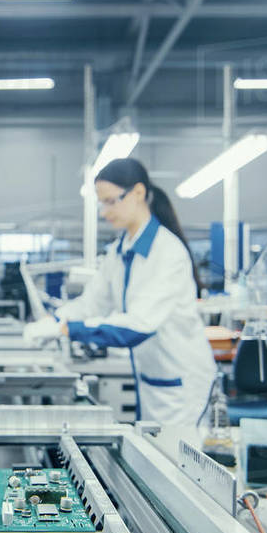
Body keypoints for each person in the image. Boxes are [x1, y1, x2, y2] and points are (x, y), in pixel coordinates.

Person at [23, 158, 216, 427]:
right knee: (157, 457)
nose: (104, 212)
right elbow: (92, 303)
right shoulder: (119, 251)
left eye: (111, 201)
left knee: (178, 462)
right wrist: (53, 320)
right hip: (153, 379)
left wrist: (66, 329)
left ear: (137, 193)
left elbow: (135, 327)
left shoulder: (167, 253)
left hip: (183, 383)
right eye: (102, 203)